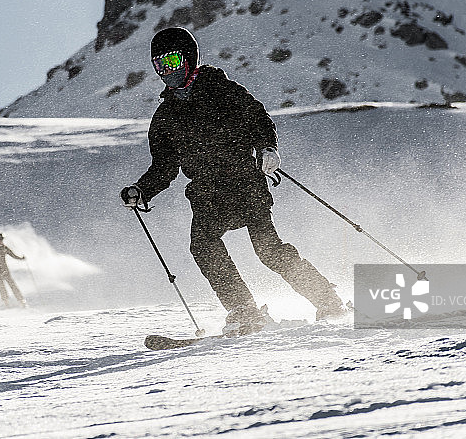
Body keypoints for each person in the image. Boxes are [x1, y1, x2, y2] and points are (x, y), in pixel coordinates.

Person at [120, 27, 347, 335]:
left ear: (188, 59)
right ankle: (244, 310)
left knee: (268, 251)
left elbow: (258, 118)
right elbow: (164, 167)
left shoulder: (220, 90)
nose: (166, 71)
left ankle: (328, 300)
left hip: (244, 183)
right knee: (202, 245)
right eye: (159, 65)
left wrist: (267, 148)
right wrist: (141, 190)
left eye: (172, 61)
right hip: (207, 193)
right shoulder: (165, 117)